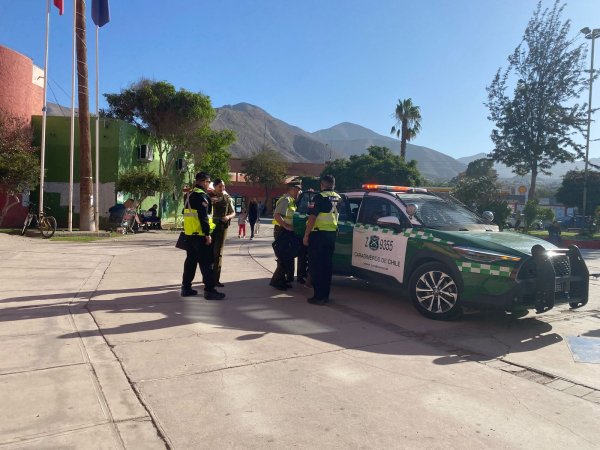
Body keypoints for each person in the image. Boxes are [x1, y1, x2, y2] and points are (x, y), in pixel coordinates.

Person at [181, 172, 225, 300]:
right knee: (206, 263)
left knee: (190, 262)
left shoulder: (189, 194)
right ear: (203, 181)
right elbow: (203, 217)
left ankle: (186, 288)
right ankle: (210, 290)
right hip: (200, 235)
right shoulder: (201, 196)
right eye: (208, 182)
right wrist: (207, 234)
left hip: (189, 234)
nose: (209, 184)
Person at [303, 175, 341, 305]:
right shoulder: (339, 198)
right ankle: (325, 296)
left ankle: (318, 296)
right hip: (331, 235)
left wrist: (306, 235)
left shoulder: (319, 197)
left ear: (322, 185)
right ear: (333, 185)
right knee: (327, 266)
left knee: (316, 266)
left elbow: (312, 217)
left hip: (318, 235)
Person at [270, 181, 302, 291]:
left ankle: (282, 280)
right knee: (283, 257)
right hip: (282, 231)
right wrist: (286, 226)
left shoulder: (292, 200)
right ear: (292, 189)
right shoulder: (286, 200)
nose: (299, 192)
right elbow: (277, 215)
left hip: (286, 231)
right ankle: (276, 281)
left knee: (287, 256)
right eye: (298, 189)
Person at [211, 178, 236, 287]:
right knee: (209, 253)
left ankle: (215, 279)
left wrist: (228, 217)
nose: (222, 188)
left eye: (223, 186)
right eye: (220, 186)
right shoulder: (208, 196)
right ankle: (207, 277)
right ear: (214, 187)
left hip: (222, 227)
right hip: (210, 228)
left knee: (218, 253)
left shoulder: (227, 198)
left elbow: (233, 212)